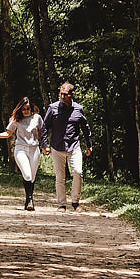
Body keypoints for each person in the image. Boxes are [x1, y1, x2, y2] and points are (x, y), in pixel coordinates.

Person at [40, 82, 92, 211]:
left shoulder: (78, 109)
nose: (62, 97)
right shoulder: (53, 108)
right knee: (60, 177)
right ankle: (62, 204)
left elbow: (85, 128)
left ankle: (75, 202)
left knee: (78, 172)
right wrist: (44, 145)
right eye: (61, 94)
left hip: (74, 146)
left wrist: (89, 145)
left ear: (71, 94)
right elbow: (45, 127)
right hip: (57, 147)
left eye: (65, 95)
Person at [6, 97, 43, 210]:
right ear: (20, 110)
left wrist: (45, 146)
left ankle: (29, 200)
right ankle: (30, 199)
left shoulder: (37, 118)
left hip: (34, 149)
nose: (26, 111)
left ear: (31, 108)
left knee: (32, 177)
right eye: (23, 109)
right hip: (21, 148)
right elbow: (7, 134)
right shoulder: (16, 120)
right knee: (27, 174)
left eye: (28, 108)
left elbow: (42, 134)